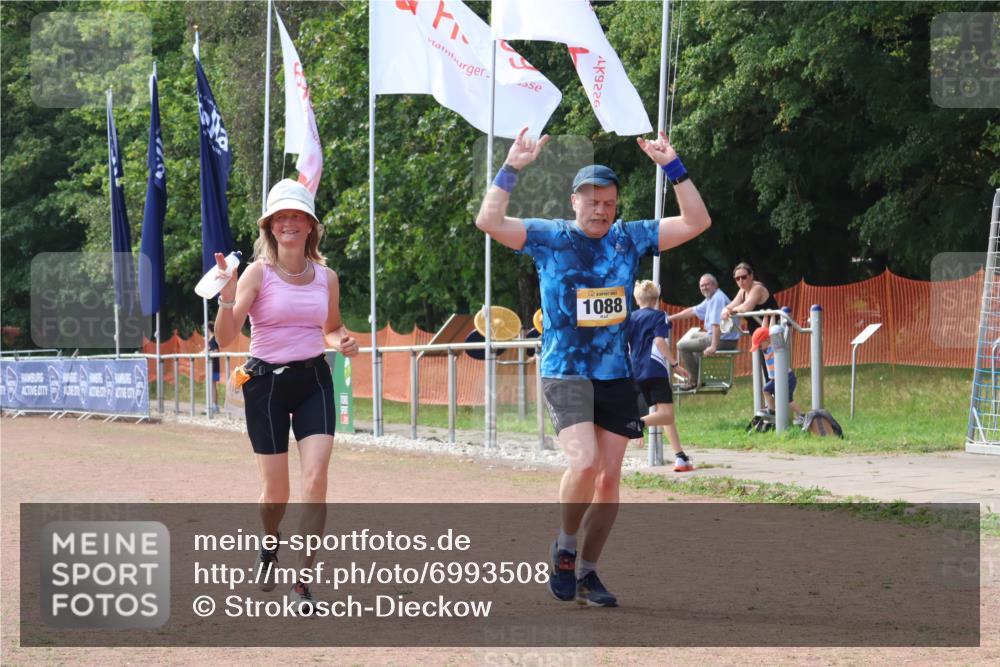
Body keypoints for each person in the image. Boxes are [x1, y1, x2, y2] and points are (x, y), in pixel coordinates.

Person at [475, 128, 711, 607]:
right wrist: (513, 166)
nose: (601, 210)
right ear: (574, 202)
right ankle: (564, 547)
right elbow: (488, 219)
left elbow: (697, 221)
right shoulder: (548, 237)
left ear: (616, 204)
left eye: (608, 202)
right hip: (565, 370)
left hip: (615, 373)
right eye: (592, 202)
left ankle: (587, 573)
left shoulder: (629, 239)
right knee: (583, 463)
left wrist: (674, 167)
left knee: (608, 482)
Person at [212, 178, 359, 614]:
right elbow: (225, 338)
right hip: (264, 385)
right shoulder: (258, 273)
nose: (289, 223)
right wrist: (225, 296)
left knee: (315, 483)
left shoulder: (326, 277)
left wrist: (341, 341)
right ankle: (269, 545)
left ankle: (302, 584)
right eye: (281, 217)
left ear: (310, 226)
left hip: (314, 380)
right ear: (270, 227)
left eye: (297, 216)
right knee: (275, 494)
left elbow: (330, 327)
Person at [627, 280, 694, 472]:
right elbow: (659, 341)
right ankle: (634, 425)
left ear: (636, 298)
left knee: (663, 416)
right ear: (657, 299)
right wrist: (675, 364)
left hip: (635, 370)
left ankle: (680, 457)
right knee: (665, 414)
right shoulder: (659, 316)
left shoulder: (630, 318)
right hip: (654, 369)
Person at [668, 273, 740, 388]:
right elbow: (692, 311)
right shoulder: (711, 298)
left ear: (715, 285)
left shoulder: (717, 298)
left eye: (707, 285)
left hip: (723, 340)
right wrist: (670, 318)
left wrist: (713, 346)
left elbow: (716, 325)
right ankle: (699, 377)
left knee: (681, 345)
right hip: (721, 336)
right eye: (702, 286)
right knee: (693, 335)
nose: (704, 288)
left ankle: (694, 380)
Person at [751, 327, 804, 422]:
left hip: (787, 377)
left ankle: (801, 415)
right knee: (766, 390)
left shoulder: (773, 347)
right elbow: (765, 328)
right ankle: (772, 411)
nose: (759, 348)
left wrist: (772, 318)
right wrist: (767, 315)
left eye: (759, 346)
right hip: (776, 379)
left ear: (767, 340)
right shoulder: (765, 349)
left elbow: (770, 330)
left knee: (787, 400)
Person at [207, 322, 220, 412]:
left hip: (214, 366)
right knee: (212, 385)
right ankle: (214, 404)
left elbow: (216, 351)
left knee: (213, 385)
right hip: (211, 365)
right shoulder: (210, 339)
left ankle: (214, 405)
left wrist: (208, 353)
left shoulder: (213, 339)